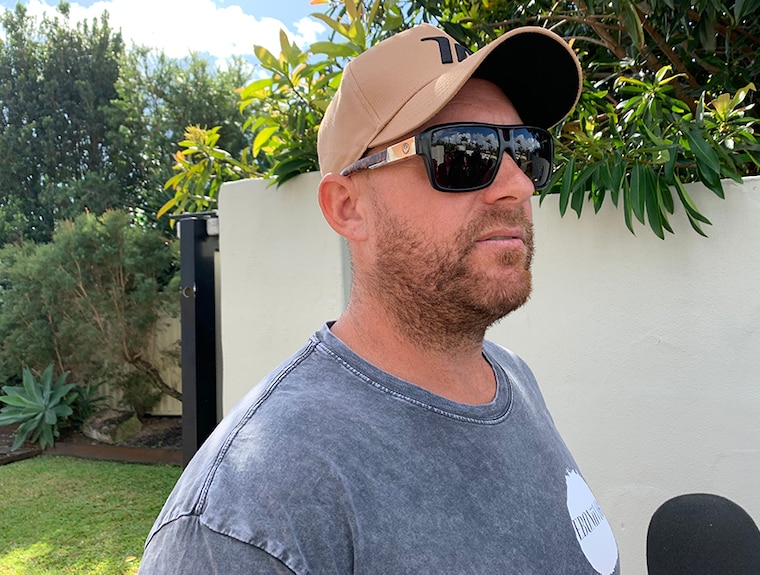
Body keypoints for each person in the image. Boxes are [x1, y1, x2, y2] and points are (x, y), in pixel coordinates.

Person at [139, 23, 620, 575]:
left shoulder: (515, 382)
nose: (518, 184)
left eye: (526, 149)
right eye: (463, 152)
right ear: (347, 207)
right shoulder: (249, 518)